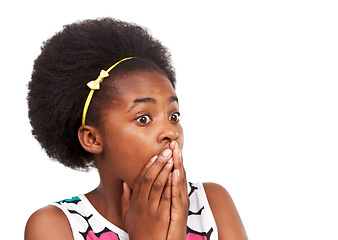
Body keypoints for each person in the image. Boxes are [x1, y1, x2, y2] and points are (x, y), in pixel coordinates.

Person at [25, 18, 247, 240]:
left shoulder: (212, 204)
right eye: (143, 118)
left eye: (173, 116)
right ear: (92, 138)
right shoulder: (55, 225)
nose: (171, 131)